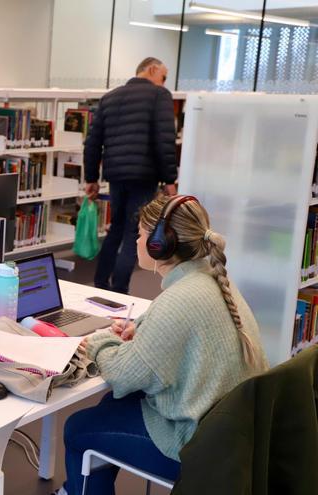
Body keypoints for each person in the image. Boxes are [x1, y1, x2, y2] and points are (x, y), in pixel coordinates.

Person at [52, 195, 269, 495]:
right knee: (111, 405)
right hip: (233, 437)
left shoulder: (178, 300)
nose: (137, 241)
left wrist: (100, 340)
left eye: (140, 234)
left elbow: (123, 375)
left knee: (77, 428)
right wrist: (140, 332)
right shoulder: (214, 281)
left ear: (160, 245)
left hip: (194, 447)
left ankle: (79, 488)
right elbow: (181, 339)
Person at [84, 57, 179, 294]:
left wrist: (91, 178)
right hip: (144, 175)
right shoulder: (160, 96)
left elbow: (93, 143)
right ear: (152, 69)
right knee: (133, 232)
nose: (164, 82)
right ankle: (119, 290)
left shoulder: (110, 97)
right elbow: (165, 140)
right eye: (163, 76)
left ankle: (100, 283)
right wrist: (170, 180)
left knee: (115, 228)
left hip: (115, 174)